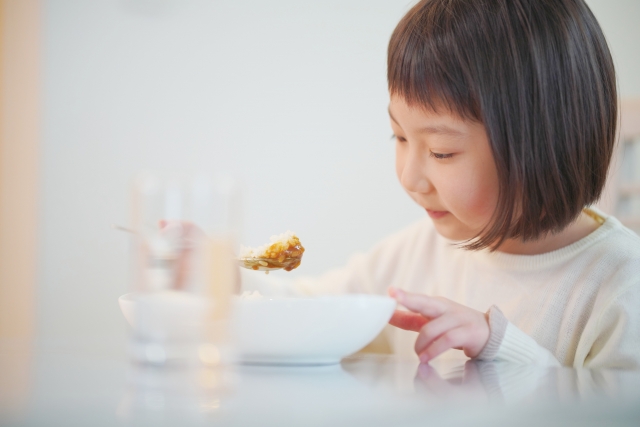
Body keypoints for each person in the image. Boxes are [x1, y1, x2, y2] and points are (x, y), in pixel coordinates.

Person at [243, 0, 640, 369]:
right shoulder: (421, 251)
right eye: (399, 138)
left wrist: (498, 346)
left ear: (546, 141)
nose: (409, 178)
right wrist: (219, 273)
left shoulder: (621, 286)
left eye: (441, 152)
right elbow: (315, 308)